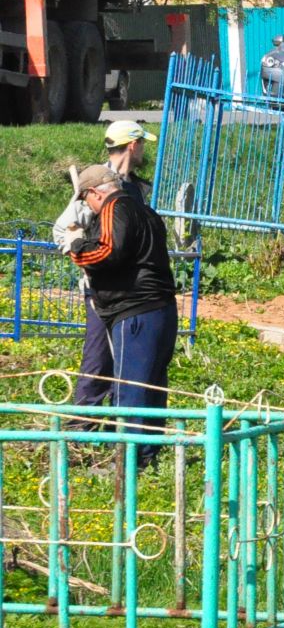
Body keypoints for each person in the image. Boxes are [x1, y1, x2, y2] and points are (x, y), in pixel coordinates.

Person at [68, 163, 177, 468]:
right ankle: (147, 455)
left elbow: (108, 251)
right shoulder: (145, 210)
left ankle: (129, 463)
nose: (86, 206)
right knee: (153, 384)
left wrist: (77, 247)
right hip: (161, 306)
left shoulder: (115, 208)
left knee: (131, 387)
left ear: (94, 193)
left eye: (85, 199)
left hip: (135, 310)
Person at [52, 121, 158, 413]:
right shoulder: (97, 184)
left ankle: (114, 423)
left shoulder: (133, 188)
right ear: (133, 145)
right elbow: (63, 229)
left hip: (129, 292)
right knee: (98, 358)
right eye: (143, 144)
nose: (144, 150)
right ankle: (81, 428)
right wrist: (82, 257)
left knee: (123, 358)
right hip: (101, 288)